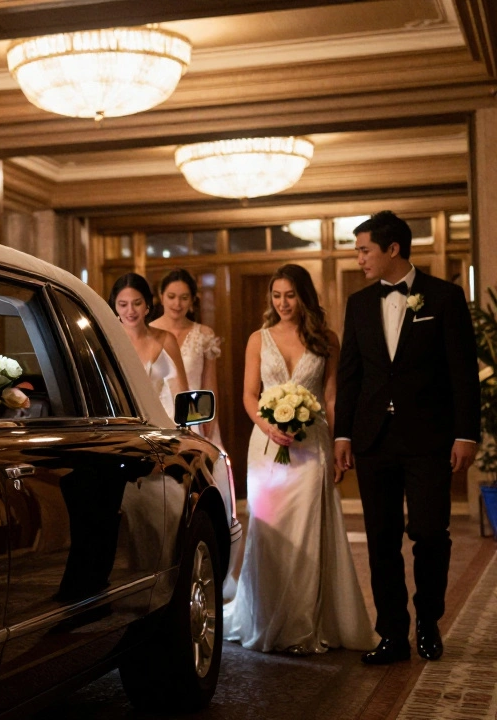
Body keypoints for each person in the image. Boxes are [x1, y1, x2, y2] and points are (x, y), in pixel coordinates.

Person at [334, 211, 480, 664]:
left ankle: (428, 623)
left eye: (364, 250)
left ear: (392, 248)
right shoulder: (358, 304)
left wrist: (466, 435)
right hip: (373, 439)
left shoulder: (445, 297)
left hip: (429, 438)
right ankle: (392, 634)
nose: (359, 259)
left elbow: (463, 373)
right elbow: (351, 374)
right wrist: (342, 435)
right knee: (380, 537)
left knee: (429, 533)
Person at [224, 263, 377, 655]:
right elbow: (248, 395)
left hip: (312, 445)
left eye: (290, 295)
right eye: (276, 296)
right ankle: (267, 616)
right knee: (269, 528)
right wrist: (268, 425)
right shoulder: (259, 339)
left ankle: (304, 623)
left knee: (308, 530)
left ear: (303, 296)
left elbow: (330, 396)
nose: (283, 303)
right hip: (267, 446)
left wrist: (339, 439)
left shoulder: (326, 338)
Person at [149, 269, 224, 447]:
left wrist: (209, 420)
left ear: (192, 300)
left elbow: (209, 383)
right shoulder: (148, 332)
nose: (177, 303)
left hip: (194, 414)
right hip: (158, 414)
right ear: (161, 296)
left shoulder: (204, 334)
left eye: (184, 298)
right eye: (172, 296)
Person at [109, 273, 188, 419]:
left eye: (137, 303)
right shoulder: (107, 341)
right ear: (114, 307)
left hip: (161, 427)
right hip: (119, 427)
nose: (131, 311)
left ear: (147, 305)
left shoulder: (166, 340)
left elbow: (181, 393)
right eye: (123, 304)